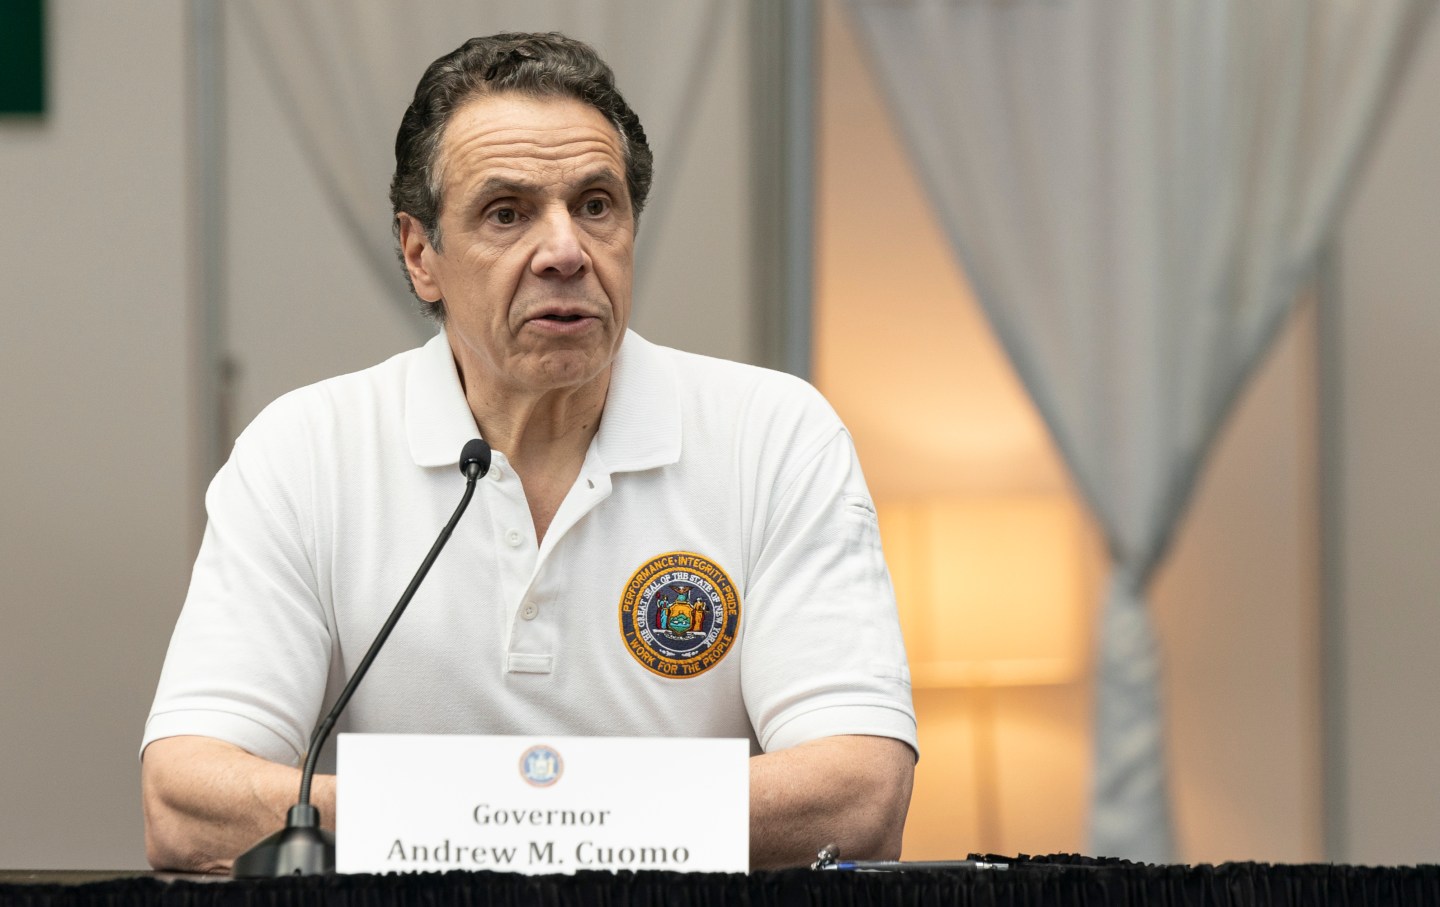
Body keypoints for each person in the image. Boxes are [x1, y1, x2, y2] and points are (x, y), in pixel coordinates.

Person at [141, 32, 916, 873]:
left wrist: (481, 820)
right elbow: (186, 802)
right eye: (506, 212)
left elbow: (859, 797)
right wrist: (542, 817)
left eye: (595, 204)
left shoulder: (775, 434)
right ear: (419, 254)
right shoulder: (305, 452)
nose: (565, 251)